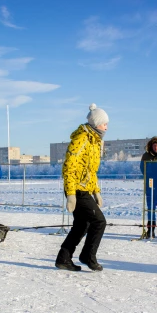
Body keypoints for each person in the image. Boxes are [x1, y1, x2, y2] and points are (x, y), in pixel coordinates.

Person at [55, 103, 108, 272]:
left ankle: (64, 258)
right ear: (95, 123)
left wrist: (96, 192)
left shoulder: (95, 141)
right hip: (76, 188)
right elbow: (69, 167)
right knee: (99, 221)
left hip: (85, 188)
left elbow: (91, 171)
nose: (106, 127)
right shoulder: (82, 139)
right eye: (104, 123)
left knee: (82, 225)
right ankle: (87, 256)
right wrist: (71, 194)